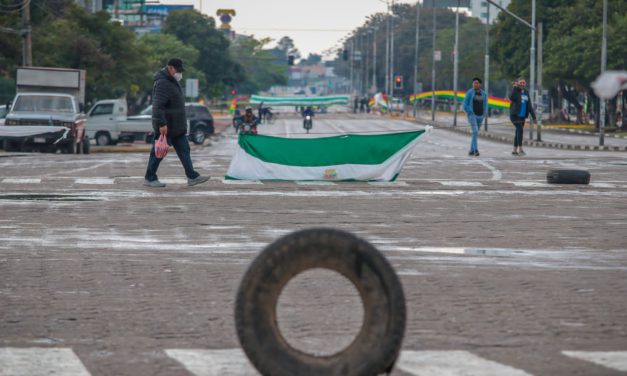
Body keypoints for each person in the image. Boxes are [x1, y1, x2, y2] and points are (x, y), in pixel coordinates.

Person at [144, 58, 209, 188]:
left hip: (177, 127)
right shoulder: (163, 83)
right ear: (170, 68)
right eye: (178, 70)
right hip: (167, 127)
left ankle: (192, 176)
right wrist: (162, 124)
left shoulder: (171, 81)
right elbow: (158, 106)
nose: (180, 73)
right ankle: (150, 177)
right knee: (158, 153)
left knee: (185, 149)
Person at [509, 78, 536, 156]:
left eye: (523, 83)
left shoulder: (526, 92)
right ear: (518, 83)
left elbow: (529, 106)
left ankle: (514, 150)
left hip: (522, 117)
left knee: (518, 131)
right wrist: (514, 87)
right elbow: (511, 97)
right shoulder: (515, 91)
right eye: (521, 82)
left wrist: (534, 117)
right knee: (520, 129)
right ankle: (520, 149)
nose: (522, 84)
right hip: (514, 115)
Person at [462, 77, 488, 157]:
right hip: (472, 115)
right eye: (474, 83)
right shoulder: (469, 92)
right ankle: (476, 150)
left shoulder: (484, 94)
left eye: (477, 83)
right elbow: (465, 104)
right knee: (475, 131)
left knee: (475, 133)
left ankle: (471, 150)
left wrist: (484, 113)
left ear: (480, 84)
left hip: (480, 116)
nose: (475, 84)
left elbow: (486, 104)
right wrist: (470, 111)